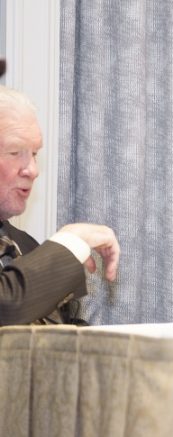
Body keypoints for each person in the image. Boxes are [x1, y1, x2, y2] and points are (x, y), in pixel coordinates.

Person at [0, 85, 120, 325]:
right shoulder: (45, 253)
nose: (33, 170)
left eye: (34, 153)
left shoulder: (26, 246)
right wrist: (69, 241)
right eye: (15, 152)